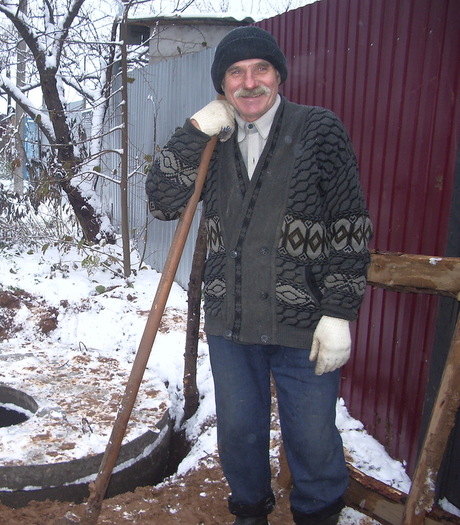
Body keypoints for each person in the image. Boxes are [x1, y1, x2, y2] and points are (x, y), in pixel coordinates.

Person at [146, 26, 374, 525]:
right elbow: (163, 203)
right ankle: (250, 514)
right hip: (232, 320)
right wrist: (192, 132)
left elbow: (350, 227)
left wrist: (339, 312)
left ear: (278, 76)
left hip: (305, 323)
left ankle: (318, 515)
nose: (249, 83)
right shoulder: (213, 140)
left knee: (312, 438)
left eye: (261, 70)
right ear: (222, 85)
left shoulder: (319, 129)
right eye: (236, 73)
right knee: (239, 434)